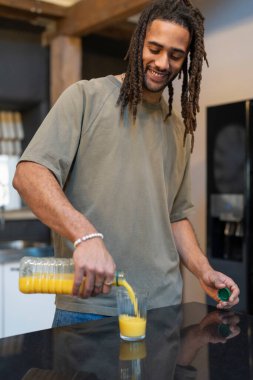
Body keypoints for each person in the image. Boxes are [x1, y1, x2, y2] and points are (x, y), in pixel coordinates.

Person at [13, 0, 240, 327]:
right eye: (154, 48)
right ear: (137, 44)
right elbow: (28, 175)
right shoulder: (86, 98)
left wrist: (204, 270)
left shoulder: (178, 126)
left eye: (175, 55)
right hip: (90, 306)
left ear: (186, 59)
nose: (163, 62)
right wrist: (85, 237)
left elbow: (175, 216)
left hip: (163, 308)